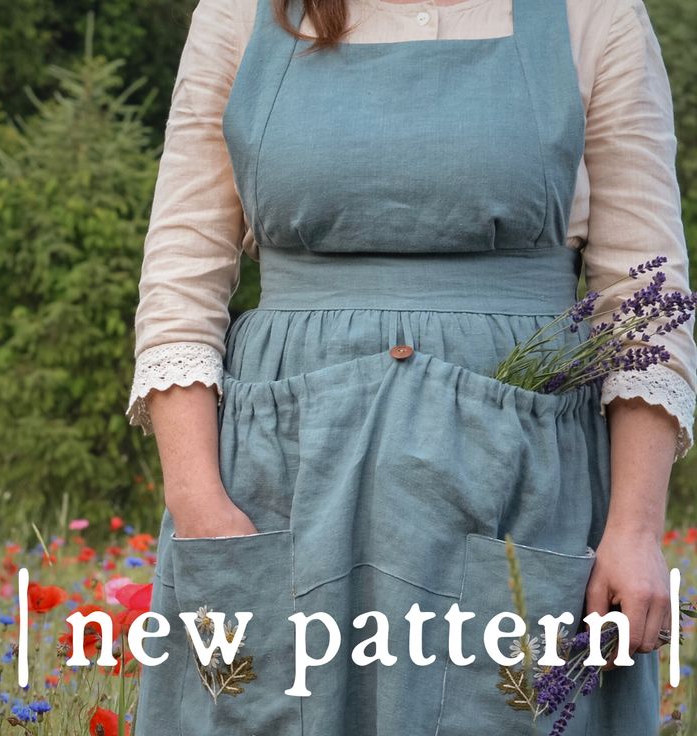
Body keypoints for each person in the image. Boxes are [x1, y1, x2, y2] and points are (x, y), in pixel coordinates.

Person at [126, 0, 697, 733]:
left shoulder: (593, 14)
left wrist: (635, 530)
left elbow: (642, 296)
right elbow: (181, 277)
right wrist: (201, 507)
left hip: (521, 482)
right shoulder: (242, 12)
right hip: (282, 480)